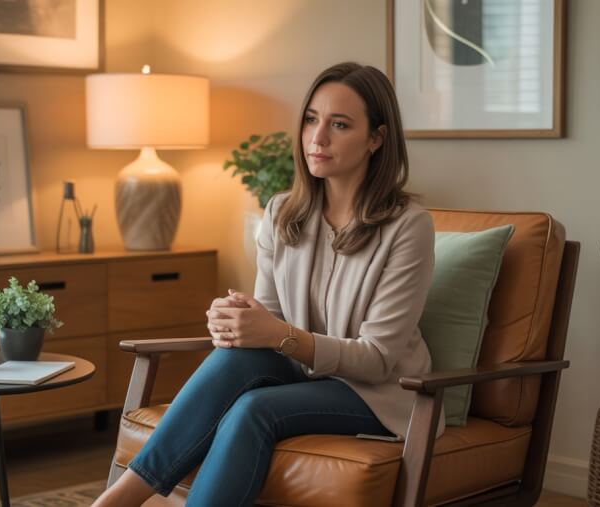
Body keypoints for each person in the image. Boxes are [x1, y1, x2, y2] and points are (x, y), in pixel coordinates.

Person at [92, 61, 442, 507]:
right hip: (300, 372)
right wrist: (236, 322)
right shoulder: (282, 213)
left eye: (340, 124)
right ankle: (119, 498)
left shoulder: (408, 226)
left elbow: (377, 359)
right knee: (235, 359)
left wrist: (278, 334)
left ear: (377, 137)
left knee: (253, 409)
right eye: (311, 120)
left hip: (379, 394)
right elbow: (270, 322)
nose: (318, 138)